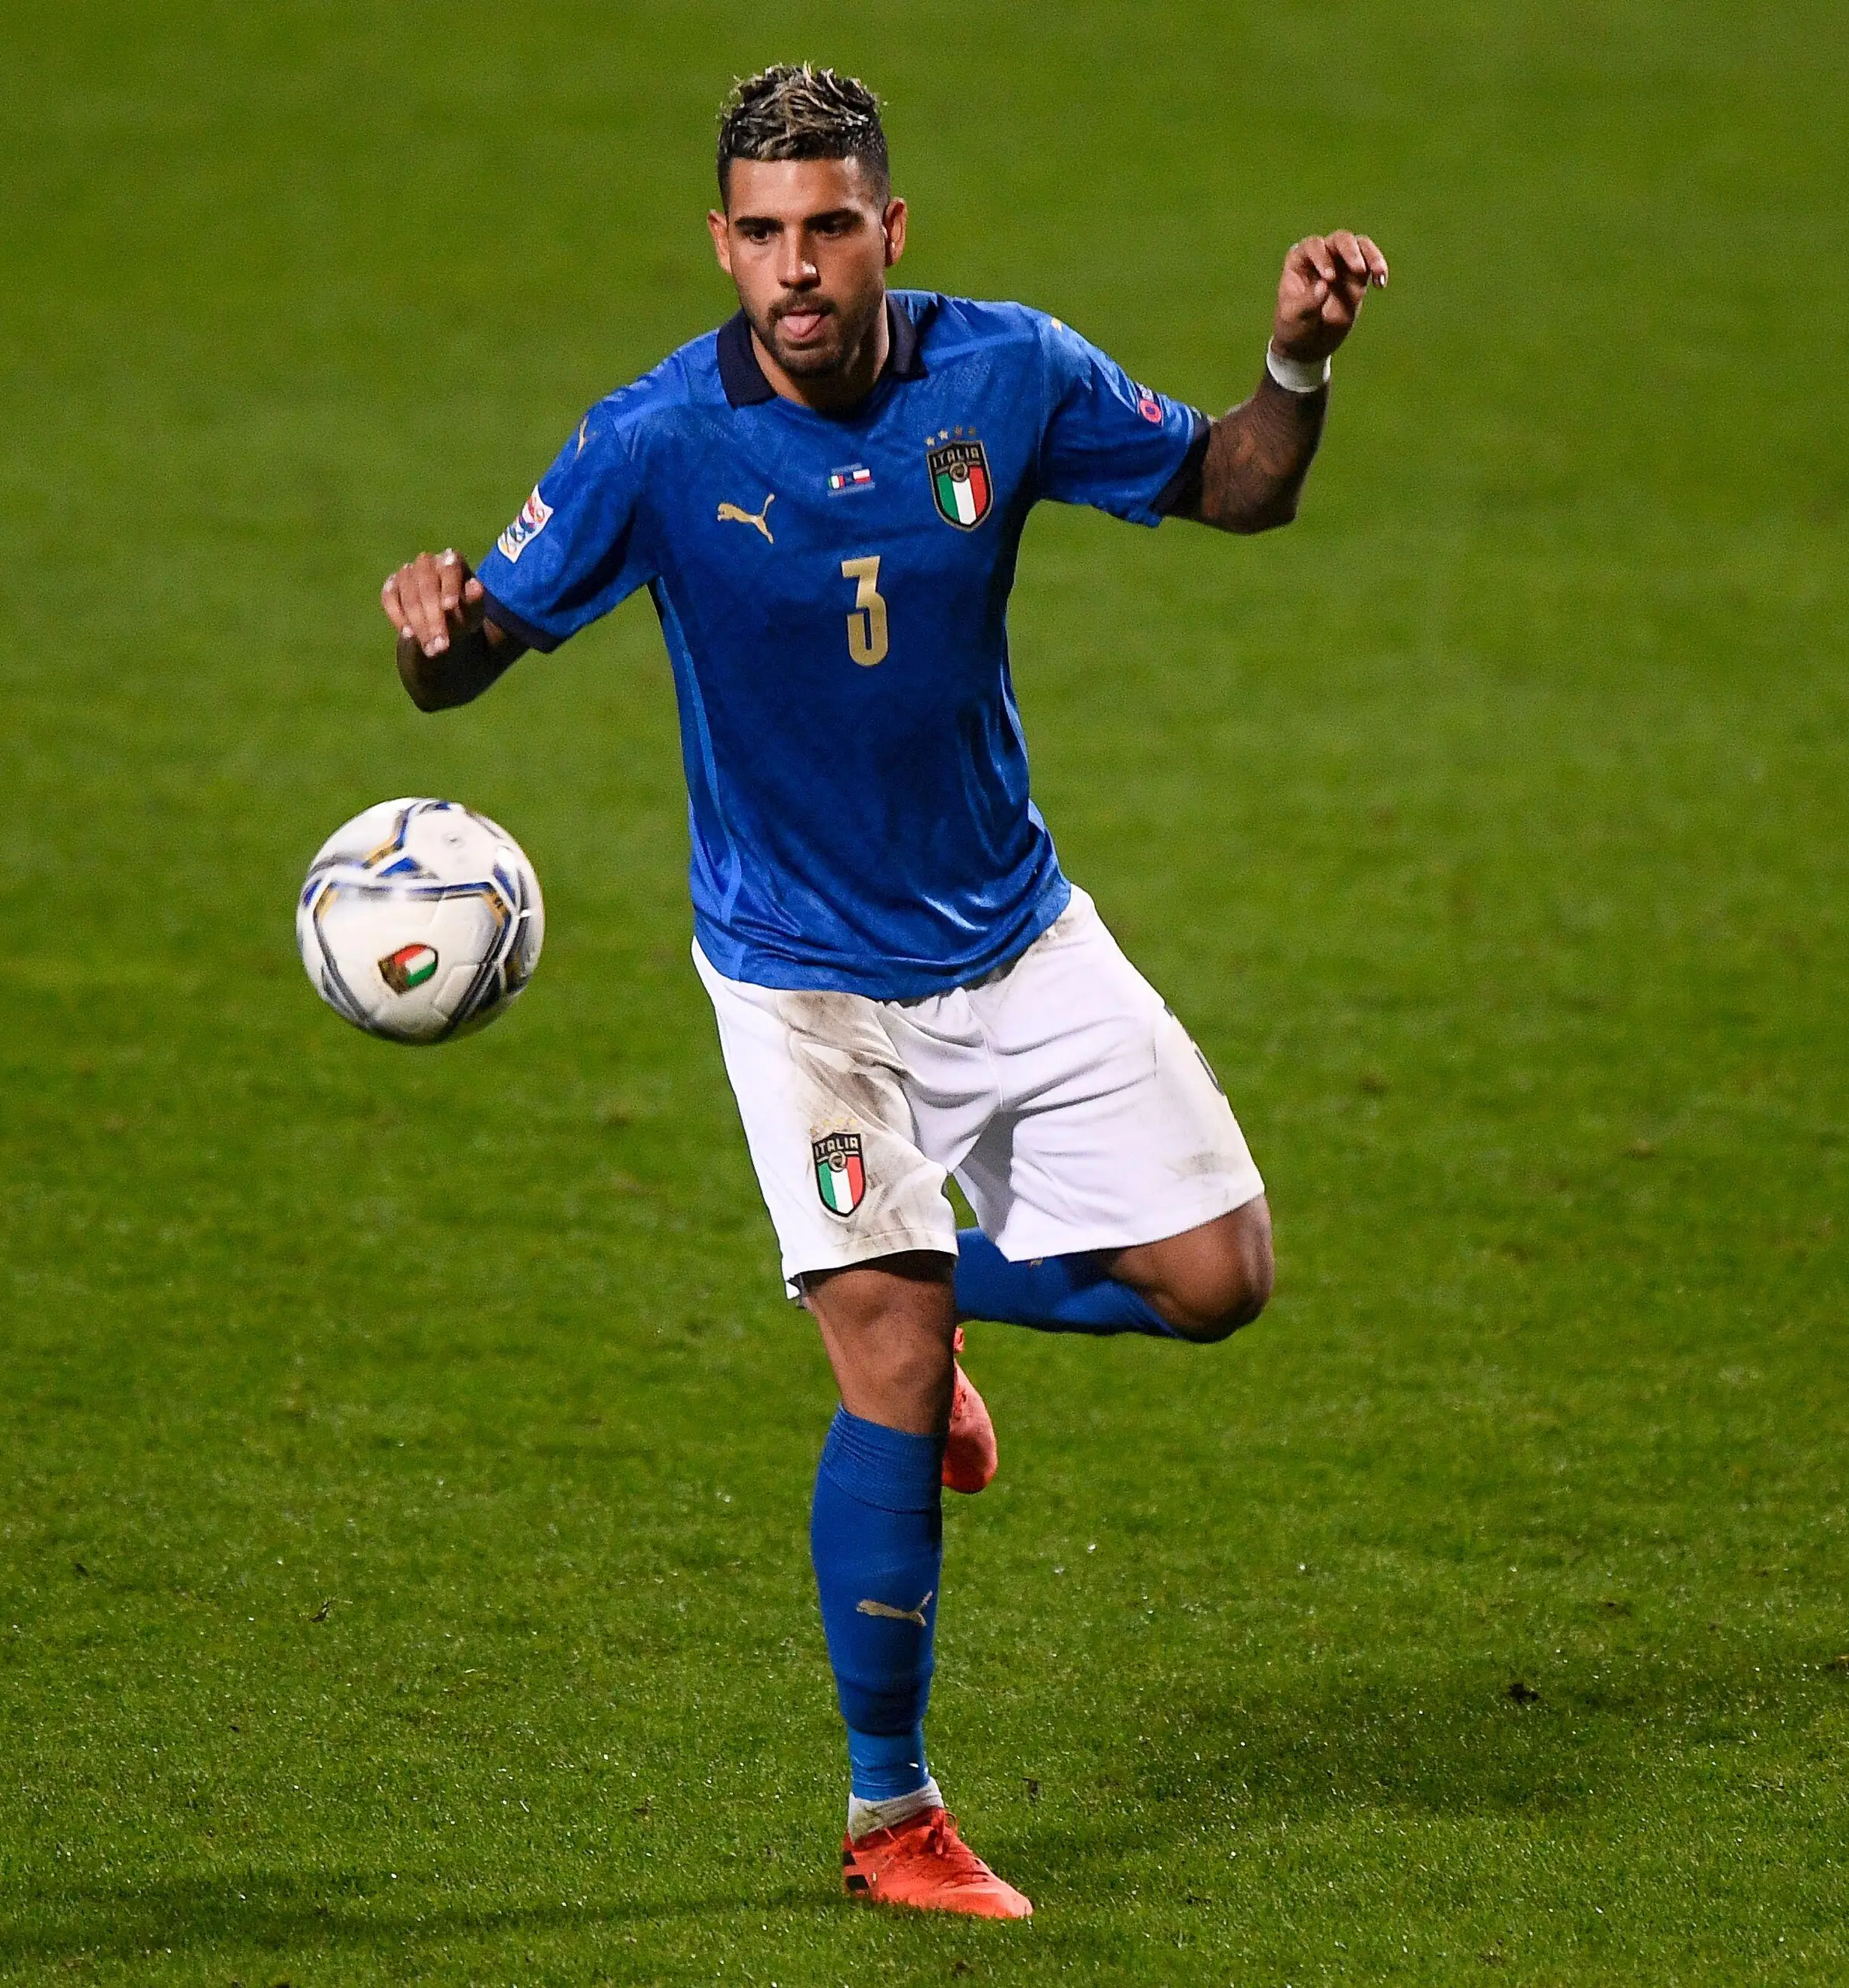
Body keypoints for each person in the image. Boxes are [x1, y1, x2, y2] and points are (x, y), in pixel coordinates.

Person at [380, 62, 1382, 1920]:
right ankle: (889, 1808)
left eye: (830, 226)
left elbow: (1236, 487)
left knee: (1220, 1279)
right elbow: (478, 649)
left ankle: (920, 1282)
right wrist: (435, 642)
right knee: (890, 1364)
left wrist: (1295, 363)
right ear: (721, 243)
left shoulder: (1005, 373)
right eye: (764, 234)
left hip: (1014, 932)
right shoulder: (652, 443)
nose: (798, 268)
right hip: (800, 984)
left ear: (889, 229)